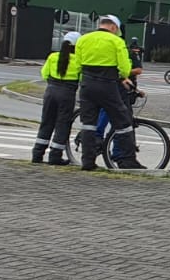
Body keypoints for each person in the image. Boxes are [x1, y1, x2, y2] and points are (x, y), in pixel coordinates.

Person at [73, 14, 143, 170]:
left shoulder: (83, 39)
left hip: (87, 85)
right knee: (123, 121)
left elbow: (77, 66)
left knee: (88, 125)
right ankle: (127, 160)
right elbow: (124, 69)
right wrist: (123, 78)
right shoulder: (116, 41)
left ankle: (88, 162)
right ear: (113, 27)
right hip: (107, 85)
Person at [32, 31, 82, 165]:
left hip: (50, 91)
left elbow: (44, 74)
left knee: (46, 122)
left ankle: (37, 154)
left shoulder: (53, 56)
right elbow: (82, 79)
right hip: (67, 93)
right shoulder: (79, 60)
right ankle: (55, 156)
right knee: (62, 124)